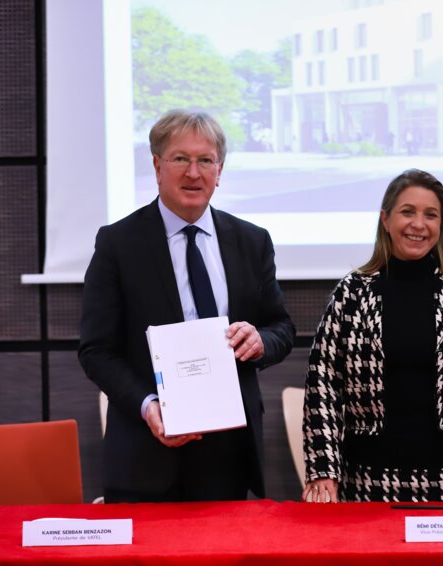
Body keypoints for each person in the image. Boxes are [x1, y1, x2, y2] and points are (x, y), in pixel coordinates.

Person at [79, 110, 295, 503]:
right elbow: (97, 351)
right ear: (158, 165)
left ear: (220, 169)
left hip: (228, 457)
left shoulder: (252, 241)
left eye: (205, 160)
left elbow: (281, 326)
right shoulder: (118, 244)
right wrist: (149, 407)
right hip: (145, 456)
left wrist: (261, 341)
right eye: (180, 159)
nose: (193, 172)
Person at [302, 169, 443, 503]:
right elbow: (322, 385)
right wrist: (323, 469)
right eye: (407, 212)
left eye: (431, 215)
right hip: (365, 483)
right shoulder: (352, 293)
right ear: (385, 220)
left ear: (442, 226)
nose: (419, 224)